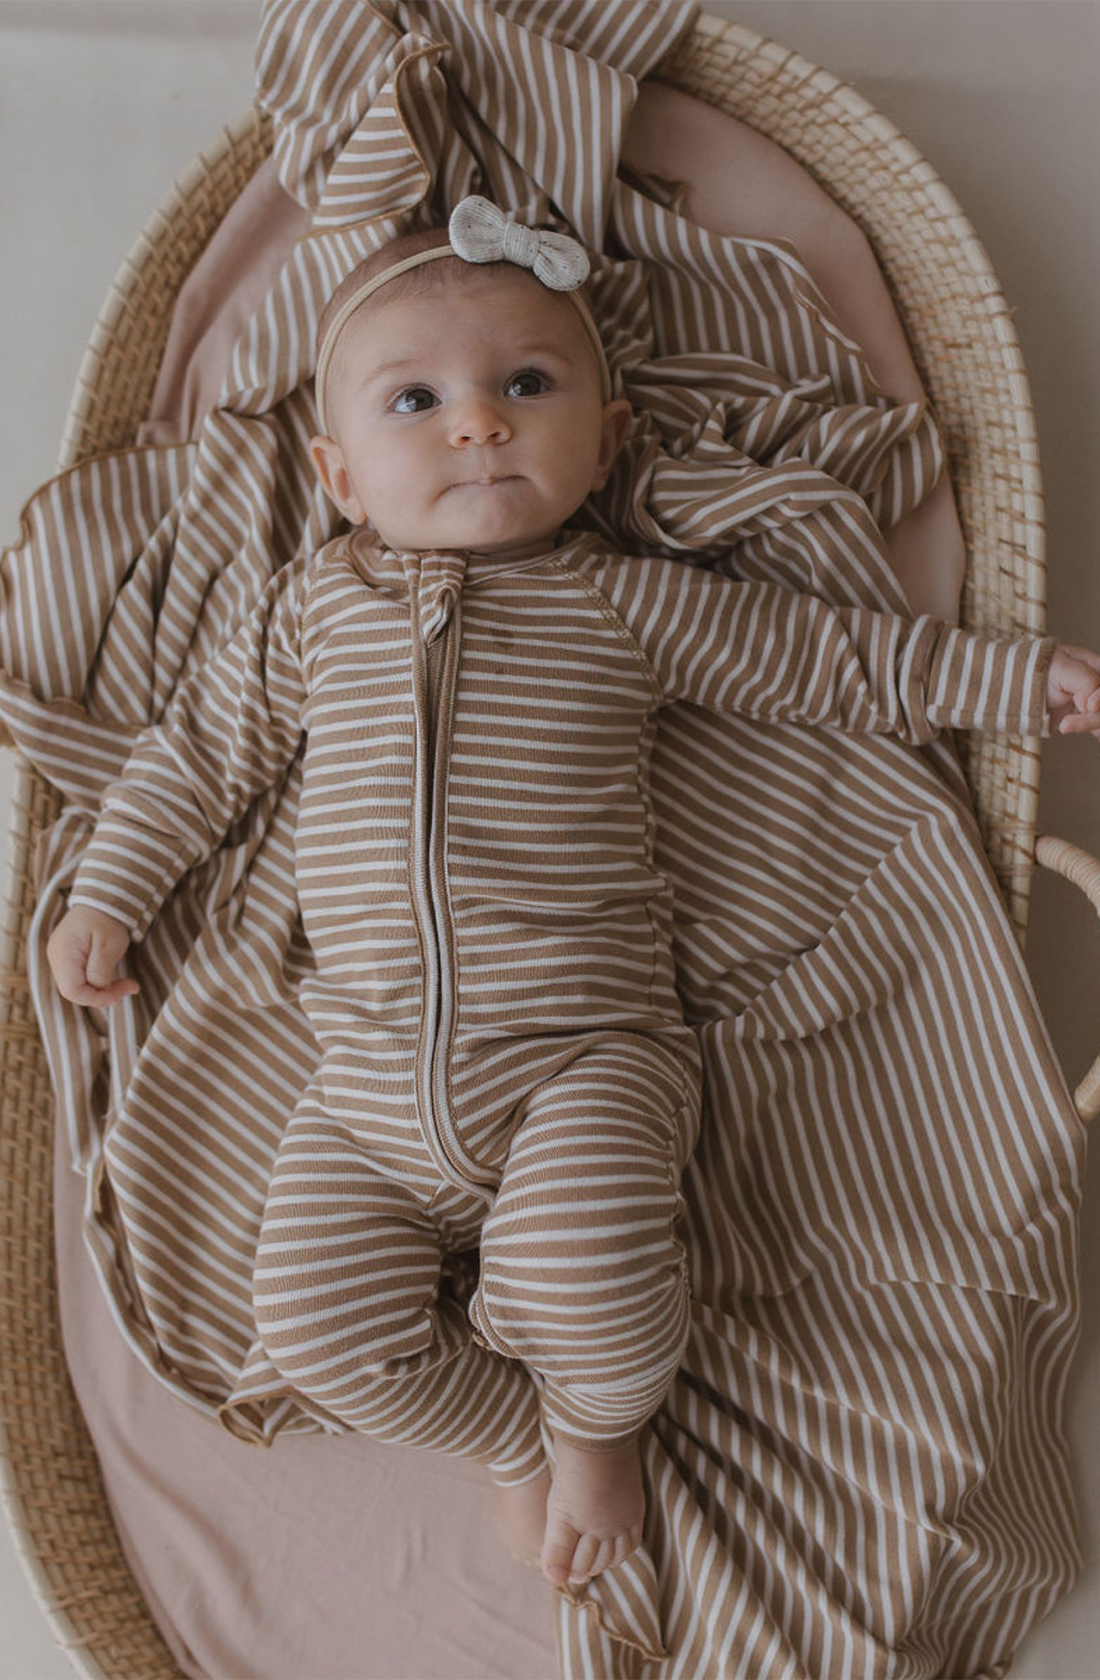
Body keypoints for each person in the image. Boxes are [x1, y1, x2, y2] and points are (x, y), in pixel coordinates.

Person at [46, 196, 1100, 1596]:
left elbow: (833, 661)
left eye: (526, 386)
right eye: (414, 400)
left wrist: (1012, 679)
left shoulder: (623, 603)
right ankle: (512, 1440)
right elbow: (194, 758)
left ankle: (605, 1432)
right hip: (359, 1087)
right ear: (340, 475)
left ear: (604, 445)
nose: (476, 422)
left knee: (589, 1272)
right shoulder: (310, 614)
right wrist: (112, 889)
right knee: (309, 1321)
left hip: (582, 1063)